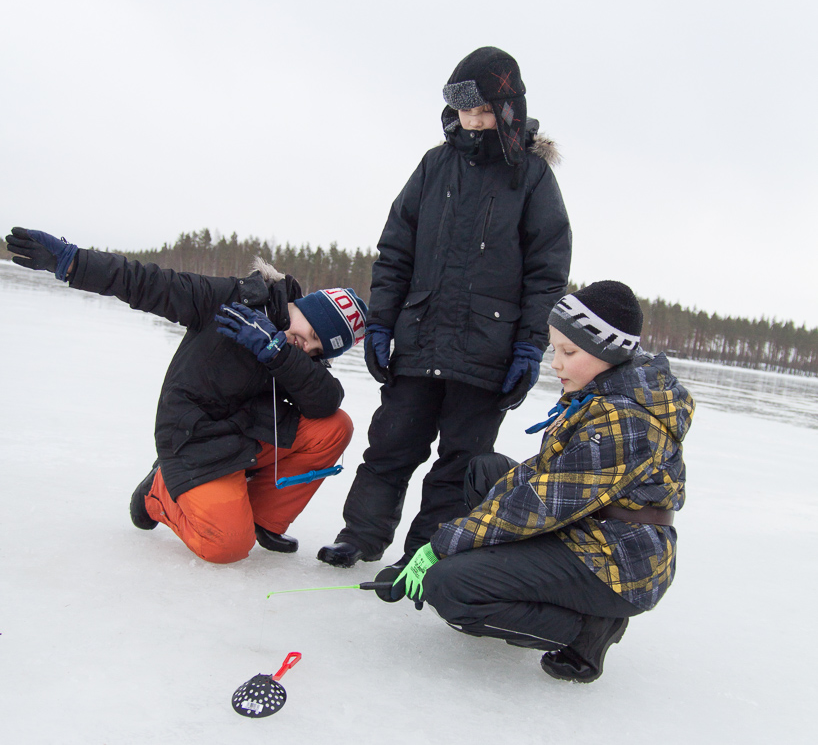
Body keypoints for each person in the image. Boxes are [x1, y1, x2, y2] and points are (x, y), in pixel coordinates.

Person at [318, 46, 572, 570]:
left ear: (508, 110)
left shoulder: (532, 178)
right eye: (464, 111)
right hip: (421, 338)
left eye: (482, 111)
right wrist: (382, 323)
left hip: (487, 352)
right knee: (390, 445)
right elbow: (396, 251)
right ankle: (360, 536)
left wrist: (529, 346)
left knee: (461, 462)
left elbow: (547, 273)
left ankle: (422, 556)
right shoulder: (434, 166)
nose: (472, 122)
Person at [390, 281, 695, 682]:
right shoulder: (603, 395)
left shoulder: (624, 420)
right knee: (488, 472)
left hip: (619, 564)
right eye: (555, 350)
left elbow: (542, 504)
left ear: (607, 353)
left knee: (449, 586)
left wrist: (441, 547)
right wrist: (458, 541)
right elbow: (539, 476)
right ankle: (505, 578)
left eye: (569, 352)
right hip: (592, 529)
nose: (556, 364)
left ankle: (586, 631)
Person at [5, 226, 367, 564]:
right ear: (305, 307)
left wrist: (276, 352)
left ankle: (264, 519)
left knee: (335, 426)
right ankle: (157, 492)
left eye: (319, 349)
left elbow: (325, 400)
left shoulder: (292, 352)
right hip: (194, 438)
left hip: (244, 435)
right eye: (314, 332)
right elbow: (147, 283)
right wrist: (73, 262)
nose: (308, 346)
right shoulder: (231, 298)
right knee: (227, 546)